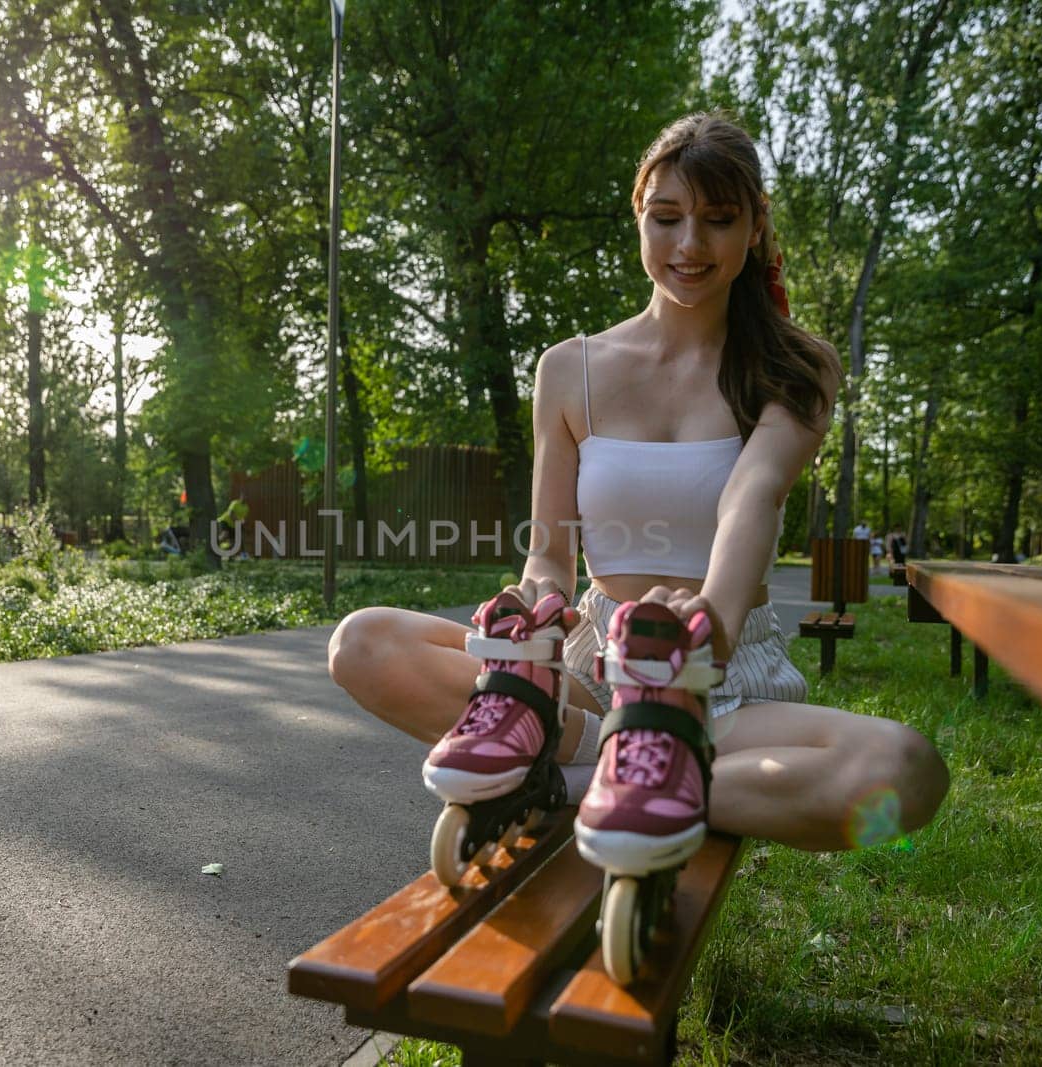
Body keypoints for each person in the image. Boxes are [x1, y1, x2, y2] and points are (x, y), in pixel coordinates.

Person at [327, 113, 946, 896]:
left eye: (719, 220)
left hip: (724, 679)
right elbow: (550, 551)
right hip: (592, 665)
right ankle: (608, 756)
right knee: (361, 643)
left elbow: (749, 499)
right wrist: (536, 612)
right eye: (668, 218)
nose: (690, 245)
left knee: (907, 770)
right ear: (640, 218)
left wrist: (702, 635)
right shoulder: (568, 370)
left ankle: (589, 785)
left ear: (755, 227)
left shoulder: (796, 366)